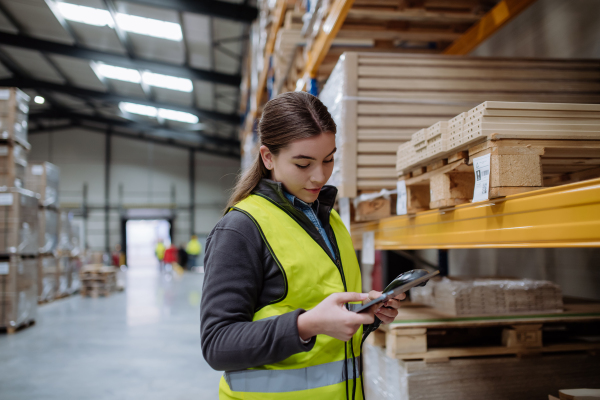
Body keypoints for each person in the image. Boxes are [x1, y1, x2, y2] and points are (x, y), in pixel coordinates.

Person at [200, 92, 406, 400]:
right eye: (303, 163)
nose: (319, 175)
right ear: (268, 157)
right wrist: (306, 325)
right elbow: (218, 344)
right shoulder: (240, 229)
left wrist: (366, 315)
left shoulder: (331, 220)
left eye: (329, 159)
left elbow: (326, 326)